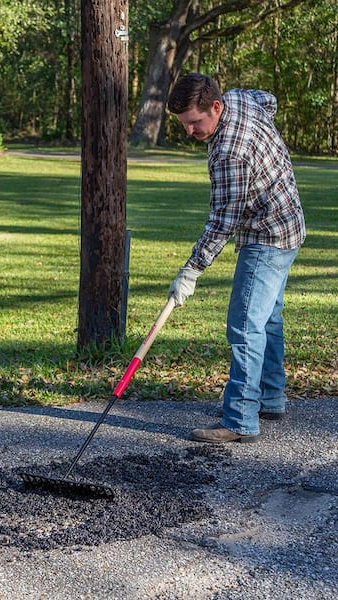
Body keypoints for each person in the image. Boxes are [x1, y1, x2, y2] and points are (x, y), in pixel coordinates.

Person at [166, 73, 306, 443]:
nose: (190, 132)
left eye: (195, 123)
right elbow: (269, 98)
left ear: (215, 107)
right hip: (291, 225)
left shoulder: (230, 151)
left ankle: (241, 419)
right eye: (184, 124)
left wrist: (191, 270)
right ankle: (270, 398)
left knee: (244, 326)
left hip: (267, 235)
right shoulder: (240, 98)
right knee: (268, 318)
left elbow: (222, 222)